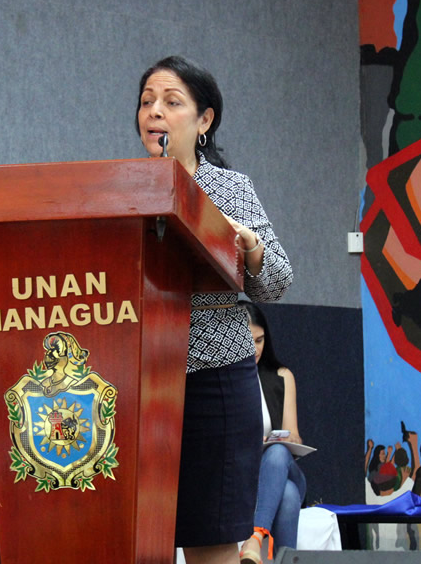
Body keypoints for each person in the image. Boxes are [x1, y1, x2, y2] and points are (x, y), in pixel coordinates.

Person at [135, 55, 293, 564]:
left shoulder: (231, 189)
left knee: (211, 537)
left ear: (204, 120)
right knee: (137, 535)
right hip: (137, 380)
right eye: (147, 102)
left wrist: (250, 250)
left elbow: (278, 283)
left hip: (215, 378)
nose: (155, 112)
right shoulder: (121, 185)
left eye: (171, 102)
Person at [241, 301, 305, 559]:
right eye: (249, 340)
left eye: (260, 340)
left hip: (281, 466)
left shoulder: (282, 375)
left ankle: (255, 537)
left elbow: (294, 435)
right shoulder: (224, 382)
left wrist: (289, 438)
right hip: (246, 479)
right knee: (288, 495)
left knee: (278, 451)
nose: (255, 348)